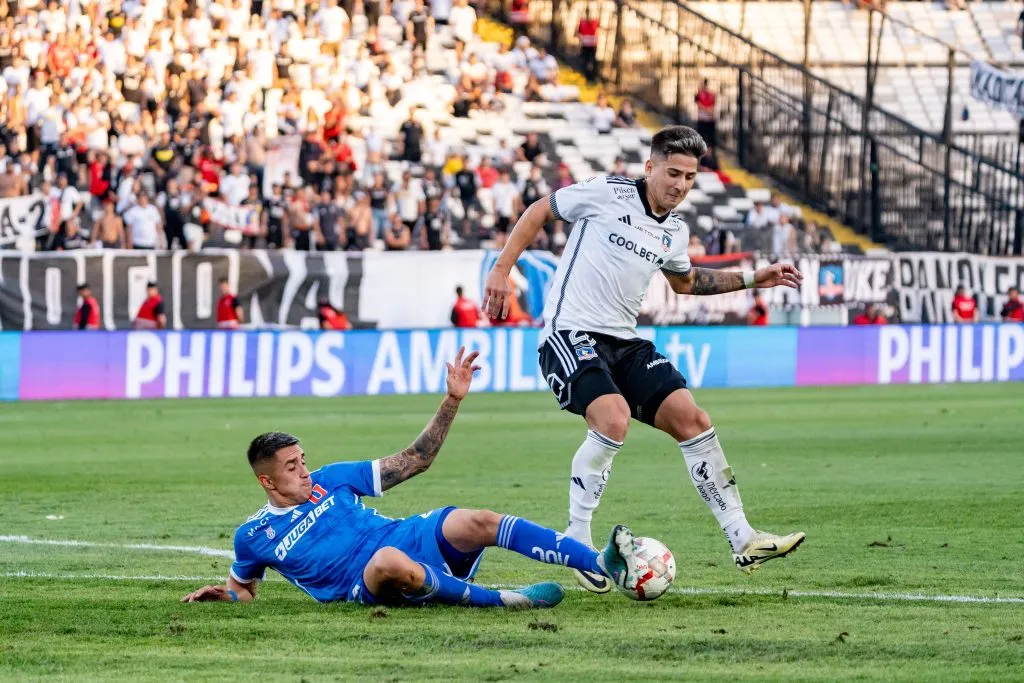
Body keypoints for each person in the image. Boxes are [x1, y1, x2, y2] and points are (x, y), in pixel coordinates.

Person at [483, 125, 805, 593]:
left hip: (625, 341)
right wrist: (501, 269)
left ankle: (743, 536)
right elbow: (540, 211)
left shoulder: (675, 230)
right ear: (650, 167)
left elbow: (687, 283)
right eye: (672, 173)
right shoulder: (604, 192)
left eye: (690, 178)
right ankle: (576, 539)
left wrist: (756, 278)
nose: (680, 185)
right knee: (612, 418)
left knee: (692, 418)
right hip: (569, 331)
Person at [181, 349, 641, 608]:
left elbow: (416, 458)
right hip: (366, 581)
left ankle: (601, 563)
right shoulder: (253, 535)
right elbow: (245, 590)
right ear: (267, 482)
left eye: (303, 460)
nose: (304, 470)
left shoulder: (333, 478)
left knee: (475, 519)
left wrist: (452, 401)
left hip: (407, 536)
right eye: (291, 466)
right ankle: (504, 600)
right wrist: (223, 597)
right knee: (386, 560)